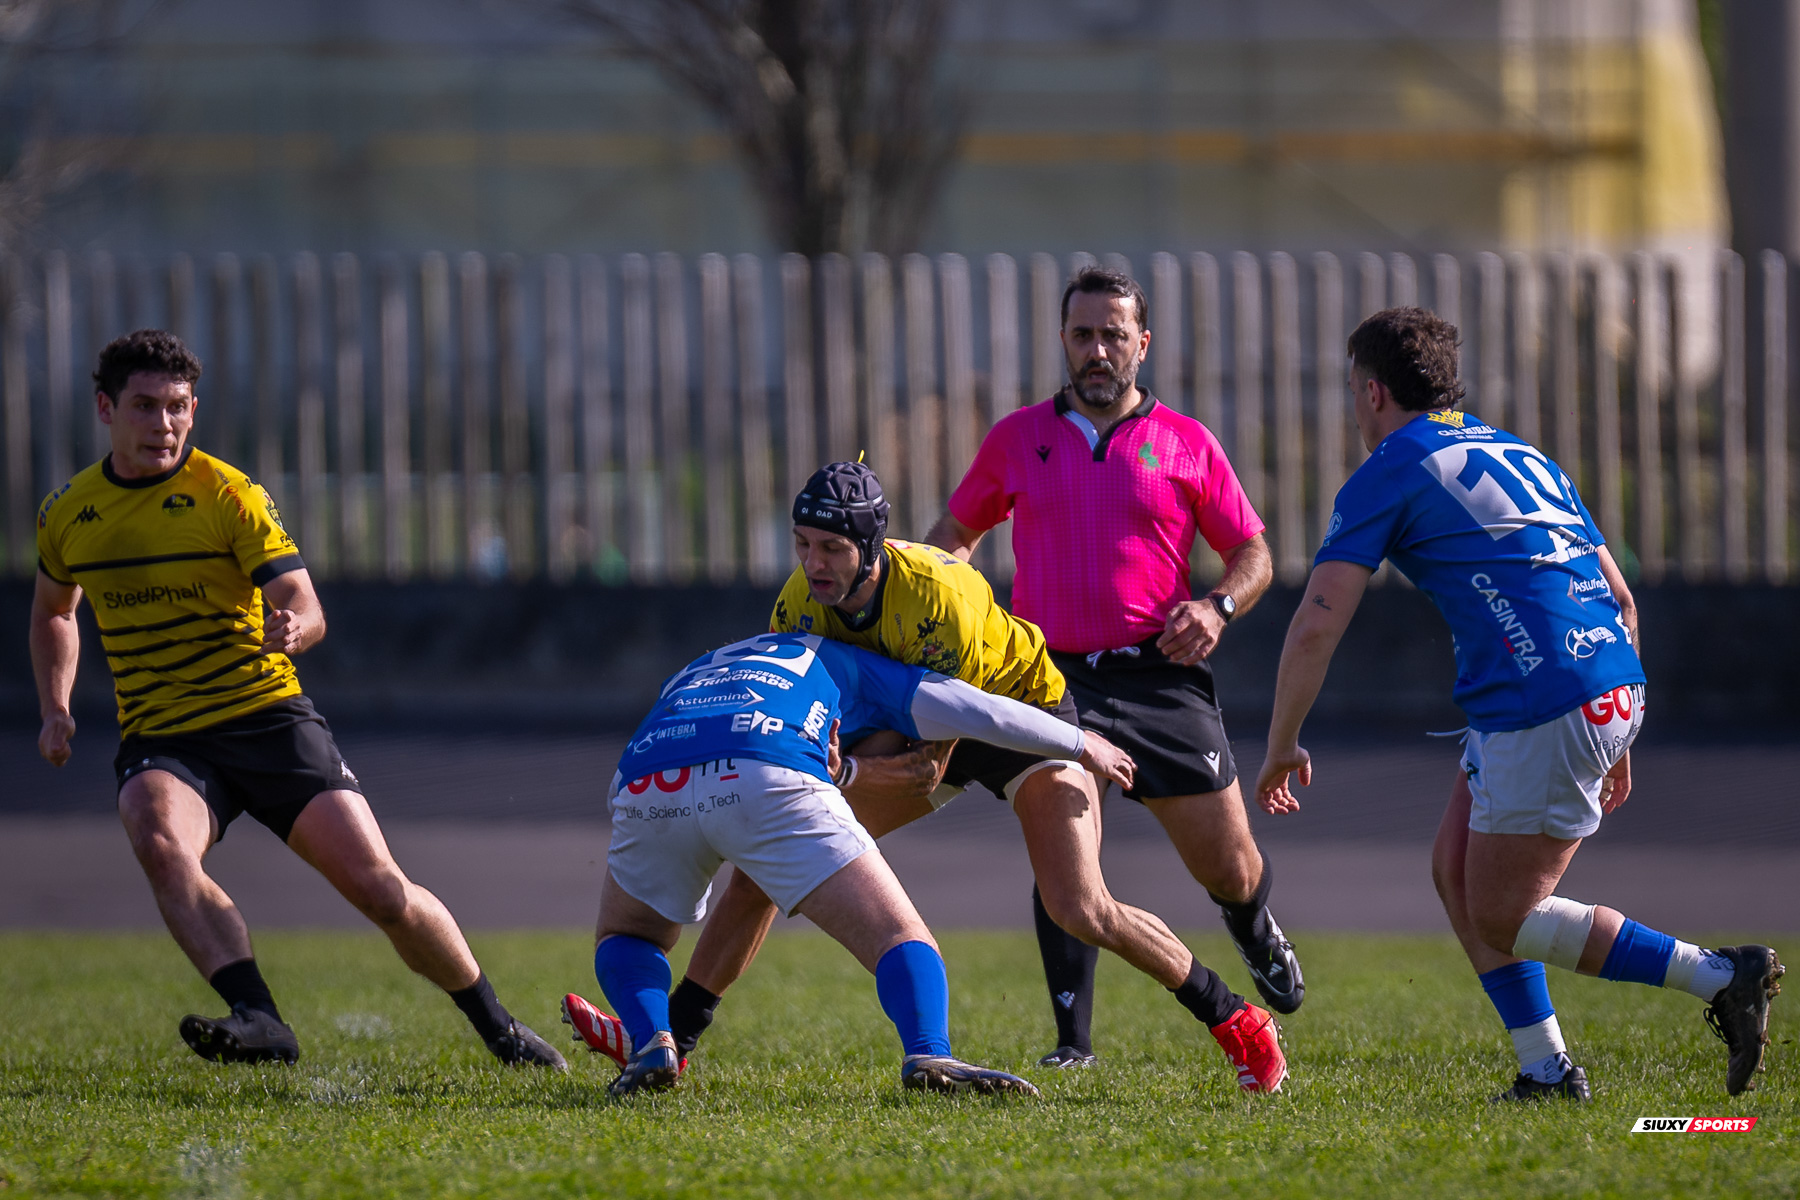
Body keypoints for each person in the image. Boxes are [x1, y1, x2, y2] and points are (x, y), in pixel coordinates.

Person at [566, 461, 1289, 1095]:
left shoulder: (939, 596)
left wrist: (851, 770)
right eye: (803, 546)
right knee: (761, 870)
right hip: (917, 719)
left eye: (832, 549)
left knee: (1080, 906)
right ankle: (675, 1043)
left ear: (872, 548)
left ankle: (1233, 1016)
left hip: (1017, 715)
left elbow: (933, 752)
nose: (814, 565)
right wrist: (844, 769)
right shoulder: (797, 601)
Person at [1252, 306, 1783, 1099]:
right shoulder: (1517, 449)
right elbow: (1621, 597)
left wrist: (1281, 743)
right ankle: (1545, 1070)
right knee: (1453, 871)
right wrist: (1619, 729)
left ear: (1370, 392)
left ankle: (1718, 977)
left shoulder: (1392, 466)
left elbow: (1315, 625)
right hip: (1599, 682)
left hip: (1545, 701)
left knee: (1504, 912)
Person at [30, 329, 565, 1070]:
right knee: (159, 842)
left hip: (265, 718)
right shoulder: (67, 513)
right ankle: (259, 1018)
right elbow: (56, 610)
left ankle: (499, 1027)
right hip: (166, 736)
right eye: (145, 407)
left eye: (179, 408)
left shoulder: (228, 495)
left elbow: (303, 601)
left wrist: (295, 627)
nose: (164, 425)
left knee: (382, 892)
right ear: (104, 408)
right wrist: (56, 706)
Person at [924, 266, 1304, 1067]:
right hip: (1047, 679)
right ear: (1064, 341)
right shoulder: (1017, 436)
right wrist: (944, 608)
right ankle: (1073, 1042)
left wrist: (1217, 608)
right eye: (1082, 335)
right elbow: (951, 539)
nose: (1097, 350)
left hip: (1159, 675)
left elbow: (1254, 554)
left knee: (1230, 866)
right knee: (1065, 851)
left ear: (1142, 343)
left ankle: (1252, 925)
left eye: (1112, 334)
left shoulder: (1187, 442)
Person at [577, 629, 1138, 1097]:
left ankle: (653, 1040)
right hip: (767, 772)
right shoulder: (840, 656)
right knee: (899, 935)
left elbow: (642, 747)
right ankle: (929, 1055)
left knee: (630, 935)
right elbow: (972, 708)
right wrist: (1078, 743)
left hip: (651, 778)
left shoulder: (702, 665)